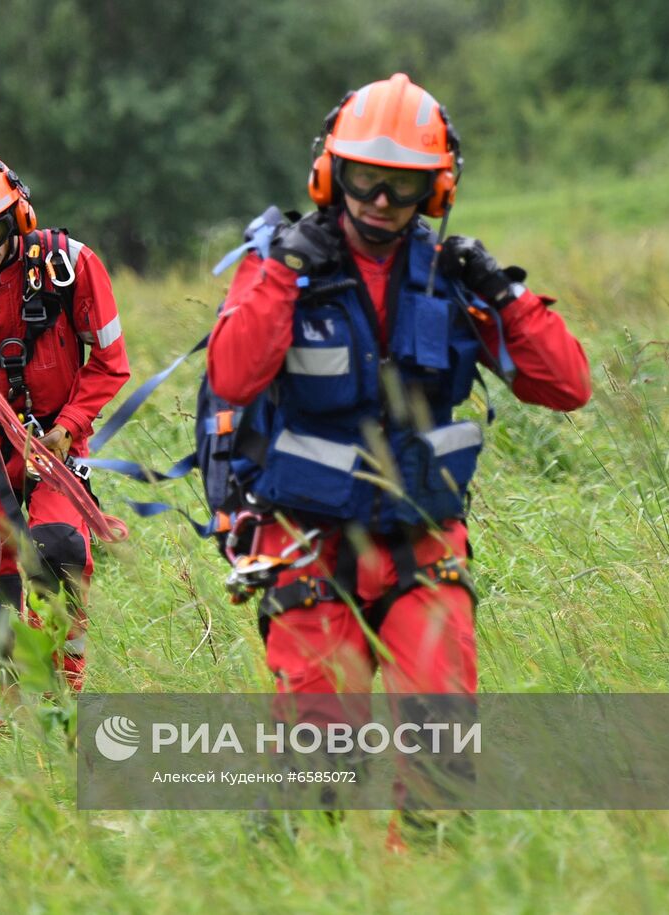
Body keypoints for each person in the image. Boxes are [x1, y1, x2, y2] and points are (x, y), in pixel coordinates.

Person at [205, 74, 590, 838]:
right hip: (308, 543)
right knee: (321, 767)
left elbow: (568, 385)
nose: (380, 201)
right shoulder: (277, 267)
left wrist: (504, 295)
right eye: (363, 178)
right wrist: (283, 271)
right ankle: (275, 878)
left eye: (403, 184)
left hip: (422, 548)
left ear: (436, 189)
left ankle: (422, 886)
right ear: (330, 175)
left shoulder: (451, 279)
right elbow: (234, 374)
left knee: (442, 757)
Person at [0, 148, 130, 714]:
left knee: (62, 550)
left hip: (53, 451)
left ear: (17, 216)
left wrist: (69, 427)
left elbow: (111, 360)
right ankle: (8, 722)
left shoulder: (68, 267)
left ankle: (65, 698)